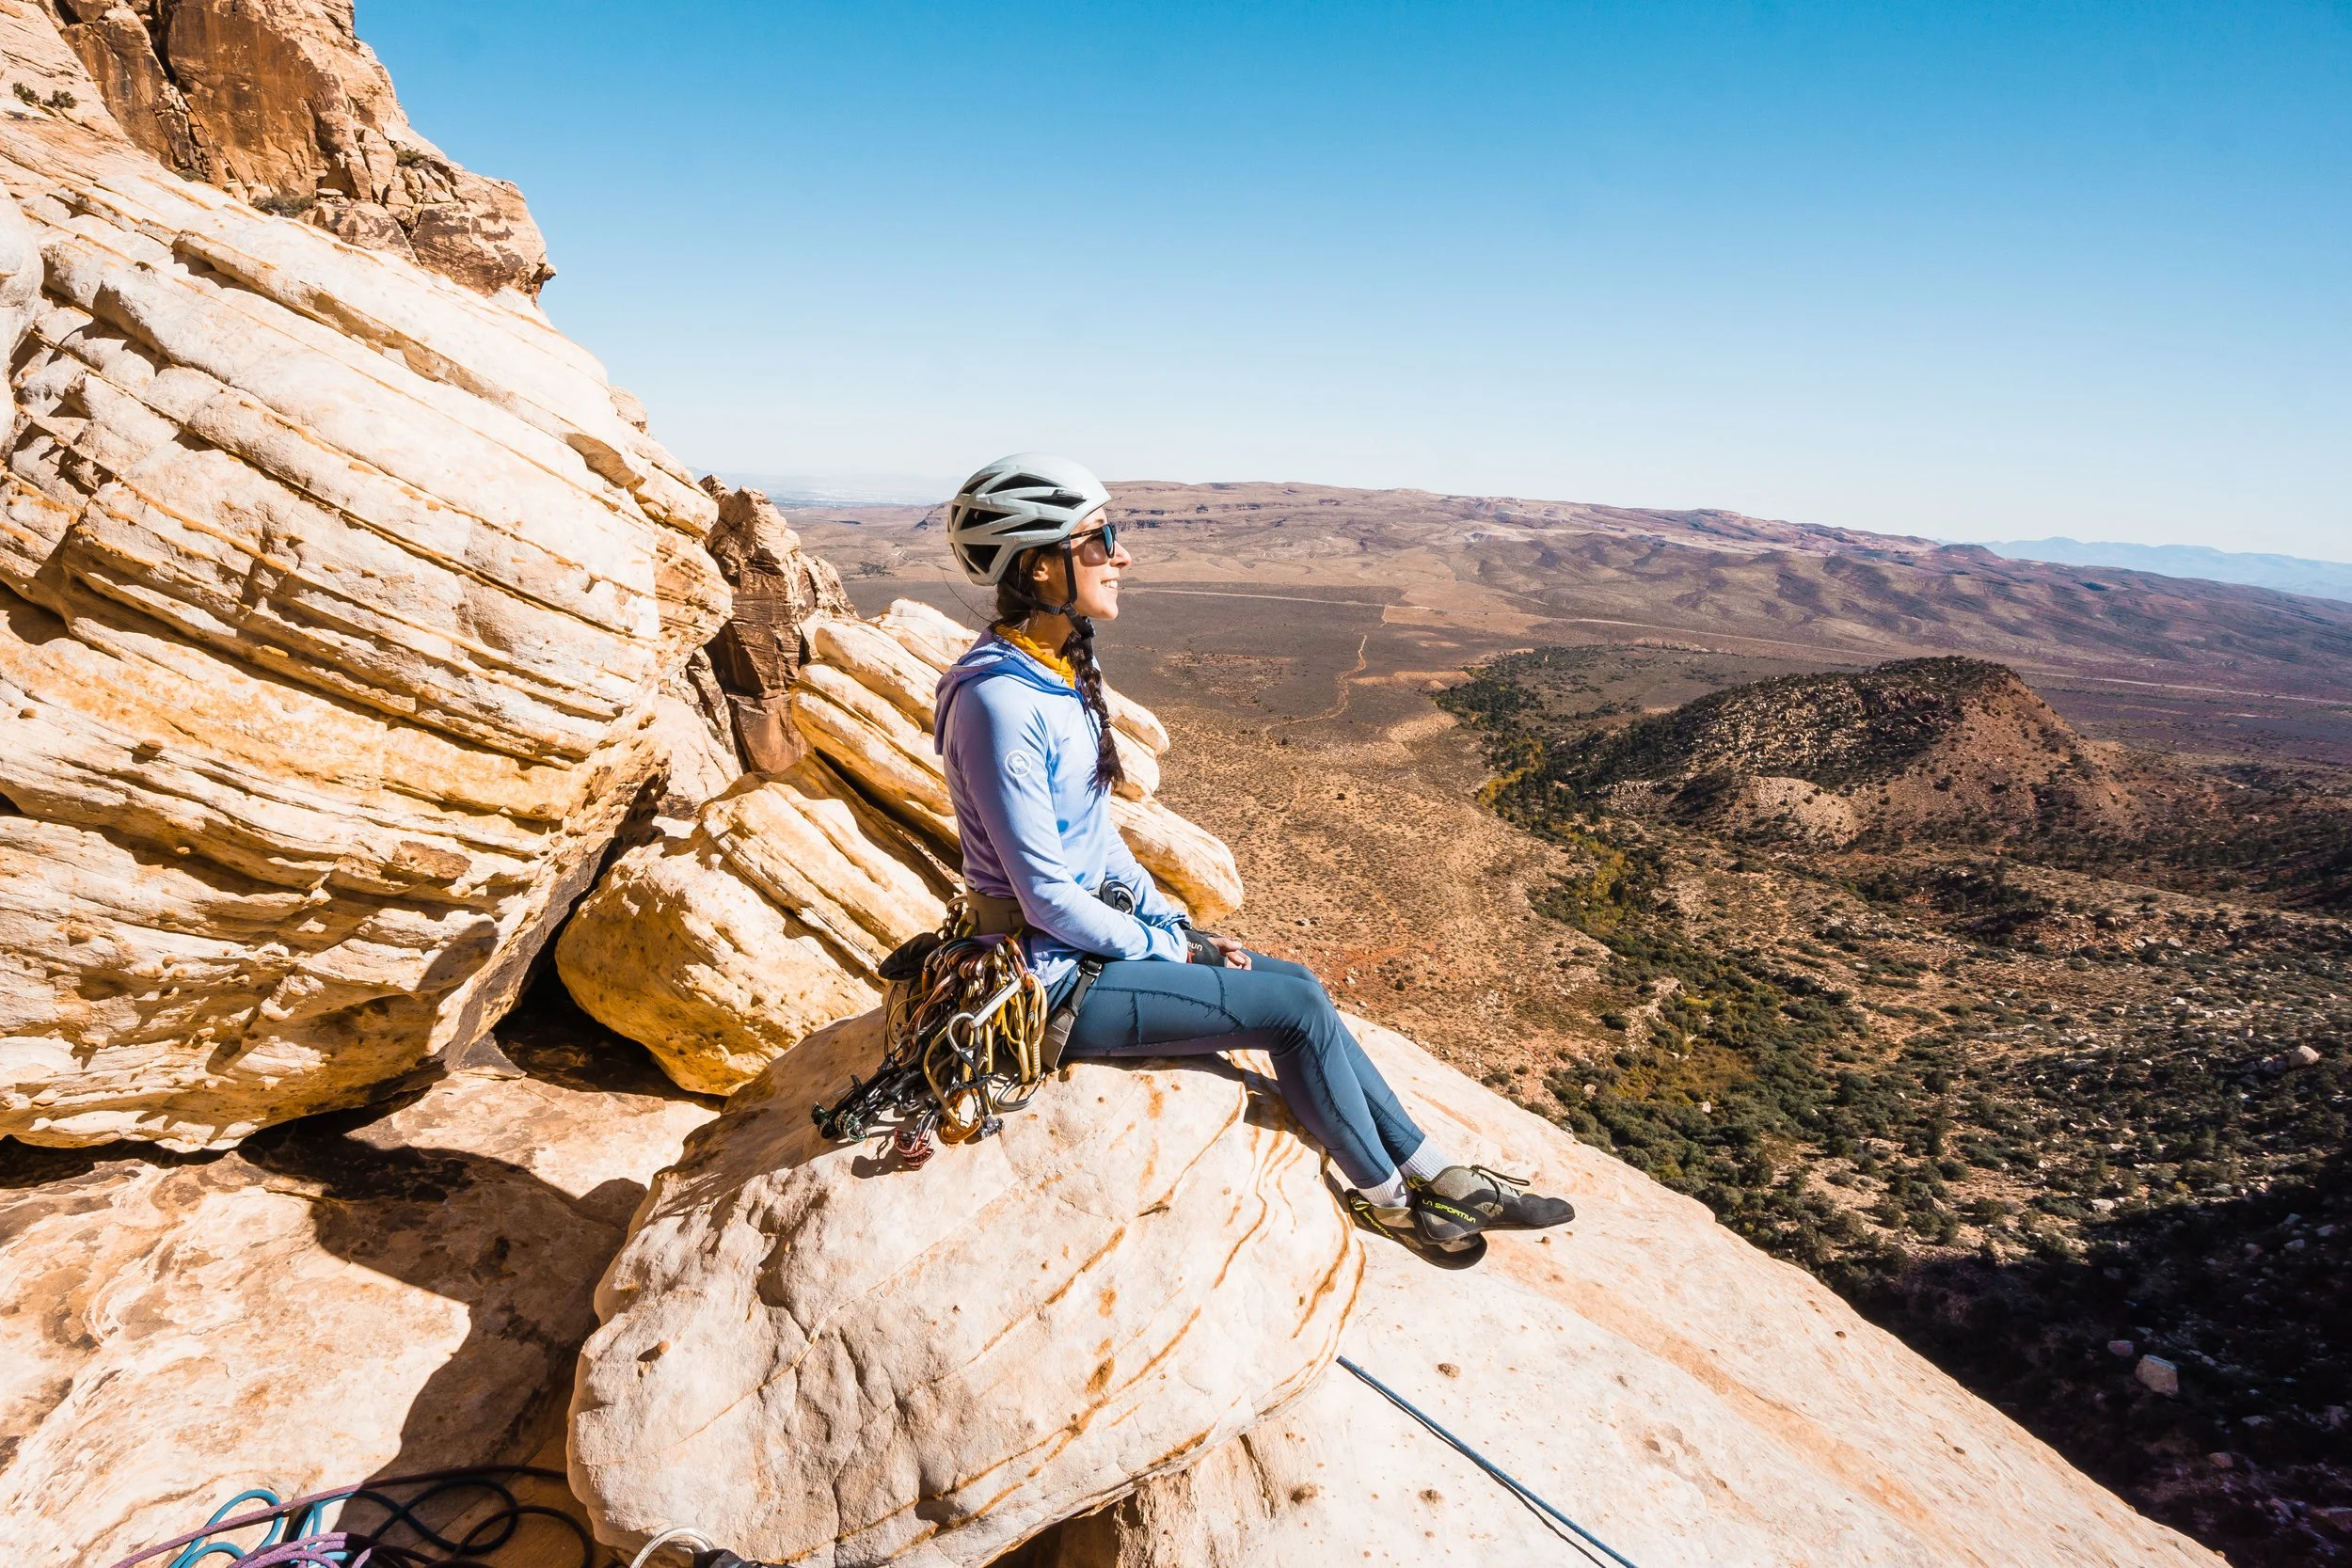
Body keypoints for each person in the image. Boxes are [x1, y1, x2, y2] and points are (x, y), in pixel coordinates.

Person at [931, 451, 1574, 1262]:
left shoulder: (1049, 676)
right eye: (1101, 540)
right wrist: (1167, 946)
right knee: (1293, 1016)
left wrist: (1178, 927)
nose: (1121, 556)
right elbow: (1049, 896)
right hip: (1045, 976)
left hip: (1086, 952)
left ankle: (1437, 1169)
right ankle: (1389, 1201)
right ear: (1038, 563)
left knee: (1297, 981)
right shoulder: (998, 699)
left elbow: (1099, 845)